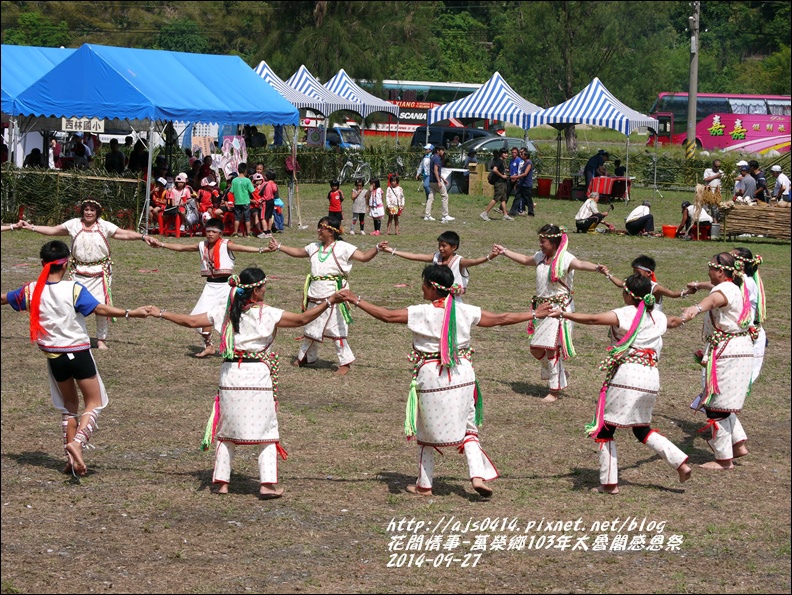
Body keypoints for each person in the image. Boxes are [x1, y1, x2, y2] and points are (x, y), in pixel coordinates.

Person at [336, 265, 552, 497]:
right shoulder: (465, 310)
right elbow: (501, 318)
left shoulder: (421, 311)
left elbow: (386, 316)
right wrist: (534, 314)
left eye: (423, 283)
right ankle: (477, 476)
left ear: (430, 286)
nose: (421, 286)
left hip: (431, 376)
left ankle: (424, 485)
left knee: (426, 432)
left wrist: (355, 299)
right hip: (463, 373)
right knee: (469, 427)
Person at [147, 267, 345, 498]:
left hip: (230, 375)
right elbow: (303, 318)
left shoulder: (224, 311)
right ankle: (267, 484)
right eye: (264, 287)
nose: (266, 291)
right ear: (257, 290)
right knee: (267, 430)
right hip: (257, 377)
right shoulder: (268, 313)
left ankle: (222, 482)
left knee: (226, 428)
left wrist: (160, 312)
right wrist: (330, 300)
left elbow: (191, 321)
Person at [1, 240, 148, 476]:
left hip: (54, 357)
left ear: (42, 264)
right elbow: (99, 308)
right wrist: (131, 313)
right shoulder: (74, 288)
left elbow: (4, 298)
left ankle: (70, 461)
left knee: (69, 407)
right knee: (95, 402)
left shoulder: (30, 290)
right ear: (67, 263)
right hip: (79, 354)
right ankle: (77, 443)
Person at [549, 274, 691, 494]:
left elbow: (594, 319)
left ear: (627, 293)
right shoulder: (657, 317)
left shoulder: (625, 313)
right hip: (651, 378)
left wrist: (563, 314)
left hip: (627, 376)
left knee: (605, 428)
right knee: (641, 429)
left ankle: (609, 483)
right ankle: (680, 463)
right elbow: (673, 321)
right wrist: (688, 315)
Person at [20, 198, 158, 350]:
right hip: (78, 272)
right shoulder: (73, 224)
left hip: (100, 273)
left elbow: (123, 234)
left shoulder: (104, 226)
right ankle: (75, 335)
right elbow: (52, 230)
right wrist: (30, 227)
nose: (89, 212)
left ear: (97, 212)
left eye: (92, 210)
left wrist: (143, 237)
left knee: (101, 307)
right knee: (72, 306)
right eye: (86, 209)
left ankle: (100, 339)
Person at [494, 225, 607, 402]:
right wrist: (504, 251)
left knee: (552, 349)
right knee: (535, 348)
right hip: (542, 310)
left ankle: (554, 390)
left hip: (560, 310)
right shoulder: (541, 257)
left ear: (554, 242)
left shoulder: (566, 259)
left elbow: (580, 264)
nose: (540, 244)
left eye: (543, 241)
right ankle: (560, 374)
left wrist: (596, 268)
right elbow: (524, 259)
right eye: (540, 240)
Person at [267, 217, 380, 376]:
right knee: (311, 325)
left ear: (332, 231)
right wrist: (279, 246)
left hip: (335, 295)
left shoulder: (343, 247)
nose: (318, 230)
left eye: (322, 228)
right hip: (315, 293)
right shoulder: (314, 247)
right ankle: (306, 357)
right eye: (318, 227)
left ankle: (345, 361)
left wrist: (376, 248)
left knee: (336, 329)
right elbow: (299, 252)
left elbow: (364, 257)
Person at [148, 218, 274, 357]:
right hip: (210, 286)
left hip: (226, 287)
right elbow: (182, 247)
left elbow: (244, 248)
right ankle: (209, 345)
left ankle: (240, 344)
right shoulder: (202, 245)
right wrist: (161, 244)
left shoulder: (227, 244)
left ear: (221, 233)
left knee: (234, 316)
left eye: (214, 231)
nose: (210, 234)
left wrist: (263, 249)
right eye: (208, 231)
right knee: (198, 317)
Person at [678, 253, 755, 470]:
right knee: (723, 403)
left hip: (730, 352)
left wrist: (695, 308)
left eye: (710, 269)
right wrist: (697, 285)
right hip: (734, 349)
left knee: (714, 406)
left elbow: (714, 299)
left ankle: (723, 459)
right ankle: (738, 445)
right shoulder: (733, 286)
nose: (708, 272)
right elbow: (712, 291)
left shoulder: (725, 290)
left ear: (720, 271)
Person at [686, 247, 767, 383]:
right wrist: (698, 285)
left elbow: (719, 293)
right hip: (736, 335)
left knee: (733, 382)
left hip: (744, 335)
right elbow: (718, 287)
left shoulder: (745, 282)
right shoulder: (736, 282)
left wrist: (698, 307)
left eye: (731, 257)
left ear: (739, 263)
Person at [377, 231, 500, 302]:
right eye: (439, 245)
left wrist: (490, 257)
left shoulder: (459, 261)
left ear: (454, 247)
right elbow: (415, 256)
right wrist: (392, 251)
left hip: (454, 303)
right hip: (436, 301)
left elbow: (475, 261)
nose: (441, 248)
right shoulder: (436, 257)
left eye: (444, 246)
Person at [603, 255, 691, 312]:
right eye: (634, 271)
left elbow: (672, 294)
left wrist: (687, 292)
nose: (634, 274)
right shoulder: (634, 282)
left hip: (652, 322)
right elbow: (621, 284)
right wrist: (607, 274)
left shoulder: (655, 288)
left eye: (637, 272)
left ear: (649, 273)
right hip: (637, 321)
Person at [480, 148, 512, 221]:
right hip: (499, 183)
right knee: (496, 198)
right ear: (501, 154)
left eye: (507, 153)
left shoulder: (502, 161)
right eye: (504, 153)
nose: (506, 154)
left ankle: (505, 215)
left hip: (503, 183)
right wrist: (502, 175)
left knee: (503, 199)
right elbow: (495, 169)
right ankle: (485, 213)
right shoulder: (499, 161)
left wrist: (505, 171)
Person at [425, 146, 454, 223]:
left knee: (430, 198)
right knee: (445, 196)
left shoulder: (433, 158)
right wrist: (439, 181)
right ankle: (445, 215)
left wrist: (443, 179)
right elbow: (435, 170)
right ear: (438, 151)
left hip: (431, 181)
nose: (443, 152)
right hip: (436, 181)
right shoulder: (437, 159)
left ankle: (427, 215)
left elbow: (436, 171)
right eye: (442, 150)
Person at [230, 162, 254, 237]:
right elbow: (252, 191)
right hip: (246, 202)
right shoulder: (247, 180)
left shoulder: (234, 180)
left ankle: (235, 232)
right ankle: (248, 233)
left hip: (237, 202)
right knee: (247, 218)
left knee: (237, 218)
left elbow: (231, 191)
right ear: (246, 171)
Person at [510, 148, 535, 217]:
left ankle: (531, 212)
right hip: (521, 183)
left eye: (522, 154)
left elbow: (525, 174)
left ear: (526, 156)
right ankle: (512, 211)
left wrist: (516, 177)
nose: (520, 155)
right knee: (517, 197)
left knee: (528, 199)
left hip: (527, 184)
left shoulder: (529, 163)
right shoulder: (523, 163)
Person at [506, 147, 522, 212]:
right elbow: (510, 169)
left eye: (515, 152)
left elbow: (519, 170)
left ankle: (519, 209)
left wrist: (516, 178)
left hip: (516, 179)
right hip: (511, 178)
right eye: (512, 152)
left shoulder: (519, 160)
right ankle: (501, 207)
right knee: (507, 193)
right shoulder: (511, 160)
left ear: (517, 153)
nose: (513, 154)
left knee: (518, 195)